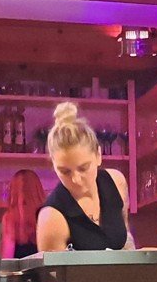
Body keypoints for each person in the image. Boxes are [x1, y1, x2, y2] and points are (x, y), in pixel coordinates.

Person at [36, 103, 133, 252]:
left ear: (98, 155)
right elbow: (55, 269)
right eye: (65, 172)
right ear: (53, 165)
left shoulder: (116, 182)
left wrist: (142, 257)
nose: (76, 179)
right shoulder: (51, 218)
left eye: (83, 168)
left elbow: (125, 243)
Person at [1, 168, 46, 259]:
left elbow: (7, 256)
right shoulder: (47, 214)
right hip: (43, 266)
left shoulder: (10, 218)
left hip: (19, 267)